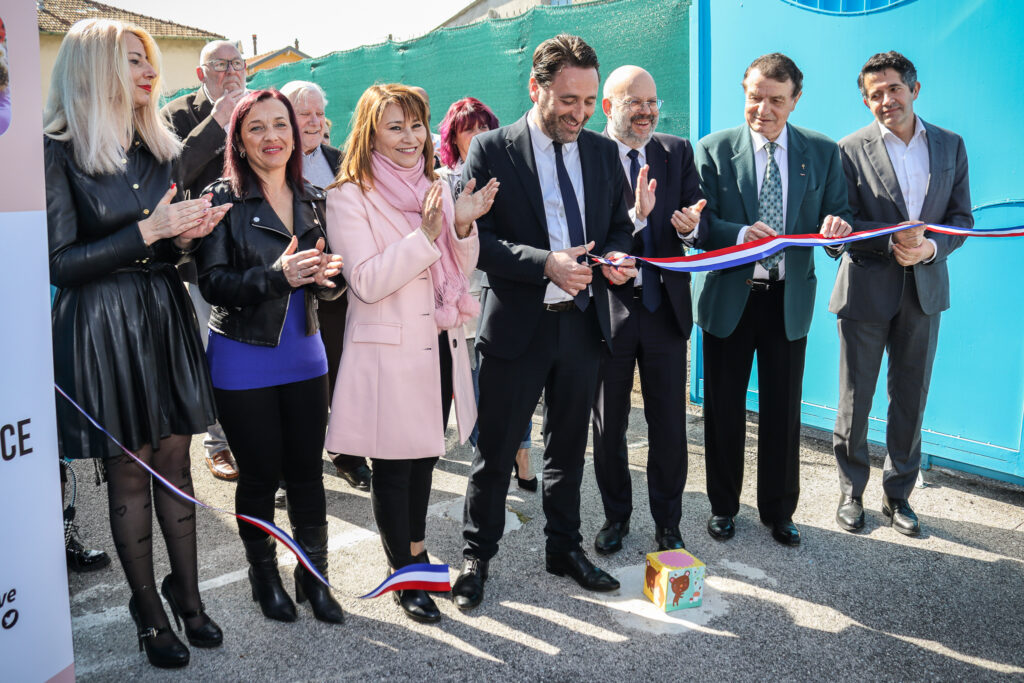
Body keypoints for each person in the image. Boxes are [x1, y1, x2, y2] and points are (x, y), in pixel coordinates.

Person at [45, 19, 227, 668]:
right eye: (133, 60)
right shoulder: (57, 150)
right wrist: (151, 232)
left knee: (178, 463)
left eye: (150, 60)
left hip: (160, 310)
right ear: (93, 69)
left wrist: (189, 232)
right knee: (131, 469)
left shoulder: (159, 145)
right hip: (101, 322)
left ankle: (191, 596)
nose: (151, 71)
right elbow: (60, 262)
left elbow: (171, 241)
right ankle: (148, 609)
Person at [453, 34, 637, 611]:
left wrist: (617, 259)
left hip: (582, 324)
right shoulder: (490, 149)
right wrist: (546, 265)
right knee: (498, 449)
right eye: (567, 100)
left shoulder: (604, 154)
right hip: (516, 327)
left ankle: (564, 548)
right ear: (535, 88)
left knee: (567, 448)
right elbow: (477, 243)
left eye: (588, 102)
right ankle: (476, 557)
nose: (580, 114)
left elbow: (618, 227)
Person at [324, 84, 497, 623]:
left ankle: (416, 555)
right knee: (395, 469)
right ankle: (407, 574)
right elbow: (367, 281)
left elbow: (458, 272)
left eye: (416, 125)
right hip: (389, 353)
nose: (408, 137)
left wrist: (462, 224)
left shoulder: (434, 186)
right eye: (394, 126)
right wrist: (425, 234)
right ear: (370, 132)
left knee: (423, 460)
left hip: (438, 346)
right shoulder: (349, 195)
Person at [196, 89, 345, 625]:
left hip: (306, 355)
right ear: (238, 138)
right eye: (255, 127)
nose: (271, 136)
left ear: (298, 132)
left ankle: (315, 577)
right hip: (243, 357)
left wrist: (329, 280)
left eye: (279, 124)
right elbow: (212, 284)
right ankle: (265, 578)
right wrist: (276, 277)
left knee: (307, 473)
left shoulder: (313, 197)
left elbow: (326, 282)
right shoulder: (222, 199)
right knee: (259, 476)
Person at [694, 53, 852, 547]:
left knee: (783, 411)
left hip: (787, 299)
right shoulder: (713, 150)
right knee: (724, 408)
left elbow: (839, 219)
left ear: (795, 100)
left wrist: (836, 233)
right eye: (754, 97)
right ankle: (723, 507)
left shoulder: (823, 153)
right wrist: (739, 233)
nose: (763, 109)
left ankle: (779, 511)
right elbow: (698, 227)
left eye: (775, 100)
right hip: (729, 298)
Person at [830, 51, 971, 536]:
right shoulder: (848, 149)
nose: (885, 100)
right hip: (867, 289)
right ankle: (851, 494)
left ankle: (899, 496)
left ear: (914, 88)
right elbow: (842, 222)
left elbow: (961, 220)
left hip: (925, 292)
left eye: (892, 89)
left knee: (910, 398)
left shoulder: (951, 146)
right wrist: (889, 241)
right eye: (874, 94)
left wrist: (932, 247)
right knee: (856, 399)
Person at [591, 65, 708, 555]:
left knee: (668, 425)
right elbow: (585, 230)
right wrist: (622, 237)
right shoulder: (585, 156)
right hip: (605, 313)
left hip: (664, 312)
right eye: (634, 102)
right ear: (607, 107)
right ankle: (616, 517)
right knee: (608, 425)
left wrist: (687, 229)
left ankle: (669, 524)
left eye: (652, 101)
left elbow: (698, 220)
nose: (647, 111)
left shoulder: (676, 151)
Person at [437, 97, 536, 490]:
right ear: (453, 137)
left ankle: (523, 452)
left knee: (516, 380)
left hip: (502, 292)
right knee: (475, 386)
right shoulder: (441, 180)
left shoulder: (508, 172)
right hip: (461, 298)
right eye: (468, 129)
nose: (477, 136)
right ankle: (490, 457)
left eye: (484, 127)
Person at [162, 40, 248, 482]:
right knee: (211, 350)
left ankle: (255, 434)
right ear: (202, 74)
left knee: (252, 346)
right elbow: (168, 177)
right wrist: (216, 122)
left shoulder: (258, 105)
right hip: (196, 259)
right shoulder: (176, 116)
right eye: (220, 65)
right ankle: (218, 443)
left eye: (238, 63)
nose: (231, 72)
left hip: (253, 252)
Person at [280, 79, 371, 491]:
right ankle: (293, 466)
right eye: (305, 114)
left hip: (337, 286)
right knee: (294, 384)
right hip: (287, 289)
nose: (314, 121)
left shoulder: (344, 160)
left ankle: (347, 454)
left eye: (319, 113)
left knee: (342, 372)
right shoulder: (272, 162)